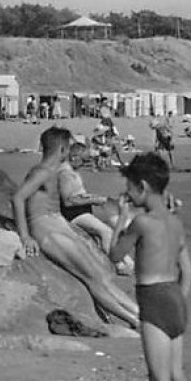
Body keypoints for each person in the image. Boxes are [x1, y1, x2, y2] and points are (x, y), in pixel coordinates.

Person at [108, 152, 191, 381]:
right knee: (177, 375)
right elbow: (188, 271)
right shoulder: (175, 222)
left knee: (159, 380)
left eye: (130, 189)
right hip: (174, 295)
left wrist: (121, 216)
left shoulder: (141, 222)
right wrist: (180, 300)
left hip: (153, 299)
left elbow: (115, 254)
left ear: (142, 187)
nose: (128, 195)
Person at [13, 126, 140, 329]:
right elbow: (18, 197)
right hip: (45, 227)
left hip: (57, 223)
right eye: (69, 148)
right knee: (92, 278)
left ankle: (138, 313)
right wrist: (25, 236)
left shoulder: (52, 171)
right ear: (62, 150)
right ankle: (134, 320)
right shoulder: (42, 172)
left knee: (99, 274)